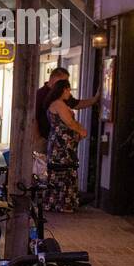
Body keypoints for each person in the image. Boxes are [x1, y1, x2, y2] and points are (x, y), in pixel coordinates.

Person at [44, 80, 87, 213]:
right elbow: (69, 122)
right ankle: (63, 203)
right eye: (68, 90)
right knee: (64, 171)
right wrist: (81, 131)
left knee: (62, 171)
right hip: (61, 144)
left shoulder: (55, 103)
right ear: (63, 90)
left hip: (60, 142)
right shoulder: (58, 104)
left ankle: (57, 201)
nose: (70, 93)